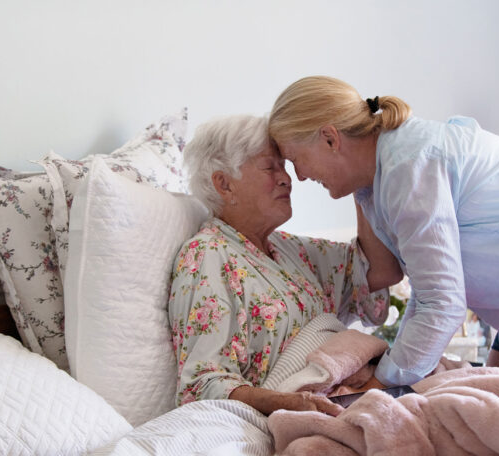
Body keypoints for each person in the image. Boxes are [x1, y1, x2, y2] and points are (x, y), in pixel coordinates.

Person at [268, 75, 499, 387]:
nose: (298, 176)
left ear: (331, 139)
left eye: (296, 159)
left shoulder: (410, 167)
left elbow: (441, 303)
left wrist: (383, 382)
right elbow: (414, 285)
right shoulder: (378, 182)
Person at [168, 114, 402, 416]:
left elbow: (378, 271)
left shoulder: (291, 249)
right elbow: (202, 385)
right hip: (312, 408)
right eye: (270, 167)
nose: (286, 178)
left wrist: (360, 179)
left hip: (360, 389)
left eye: (285, 166)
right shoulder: (207, 255)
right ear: (224, 184)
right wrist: (294, 404)